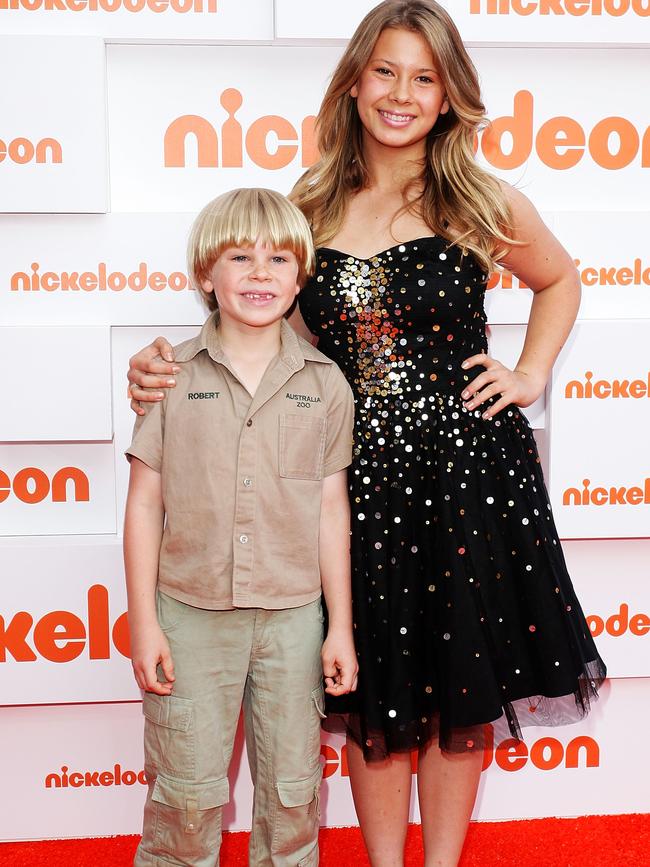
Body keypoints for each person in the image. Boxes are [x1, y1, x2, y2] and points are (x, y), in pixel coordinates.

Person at [127, 4, 606, 865]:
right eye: (386, 71)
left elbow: (560, 279)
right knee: (379, 688)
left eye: (425, 77)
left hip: (469, 477)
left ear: (450, 95)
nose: (402, 93)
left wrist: (529, 375)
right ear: (355, 81)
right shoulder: (306, 207)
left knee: (460, 688)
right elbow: (249, 316)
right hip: (356, 484)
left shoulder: (479, 197)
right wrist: (161, 365)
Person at [123, 187, 358, 867]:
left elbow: (329, 507)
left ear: (300, 277)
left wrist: (338, 623)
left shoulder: (327, 383)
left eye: (279, 258)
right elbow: (143, 504)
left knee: (292, 795)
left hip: (293, 619)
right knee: (187, 793)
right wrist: (145, 620)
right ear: (206, 273)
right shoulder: (168, 377)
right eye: (240, 256)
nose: (261, 272)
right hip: (190, 617)